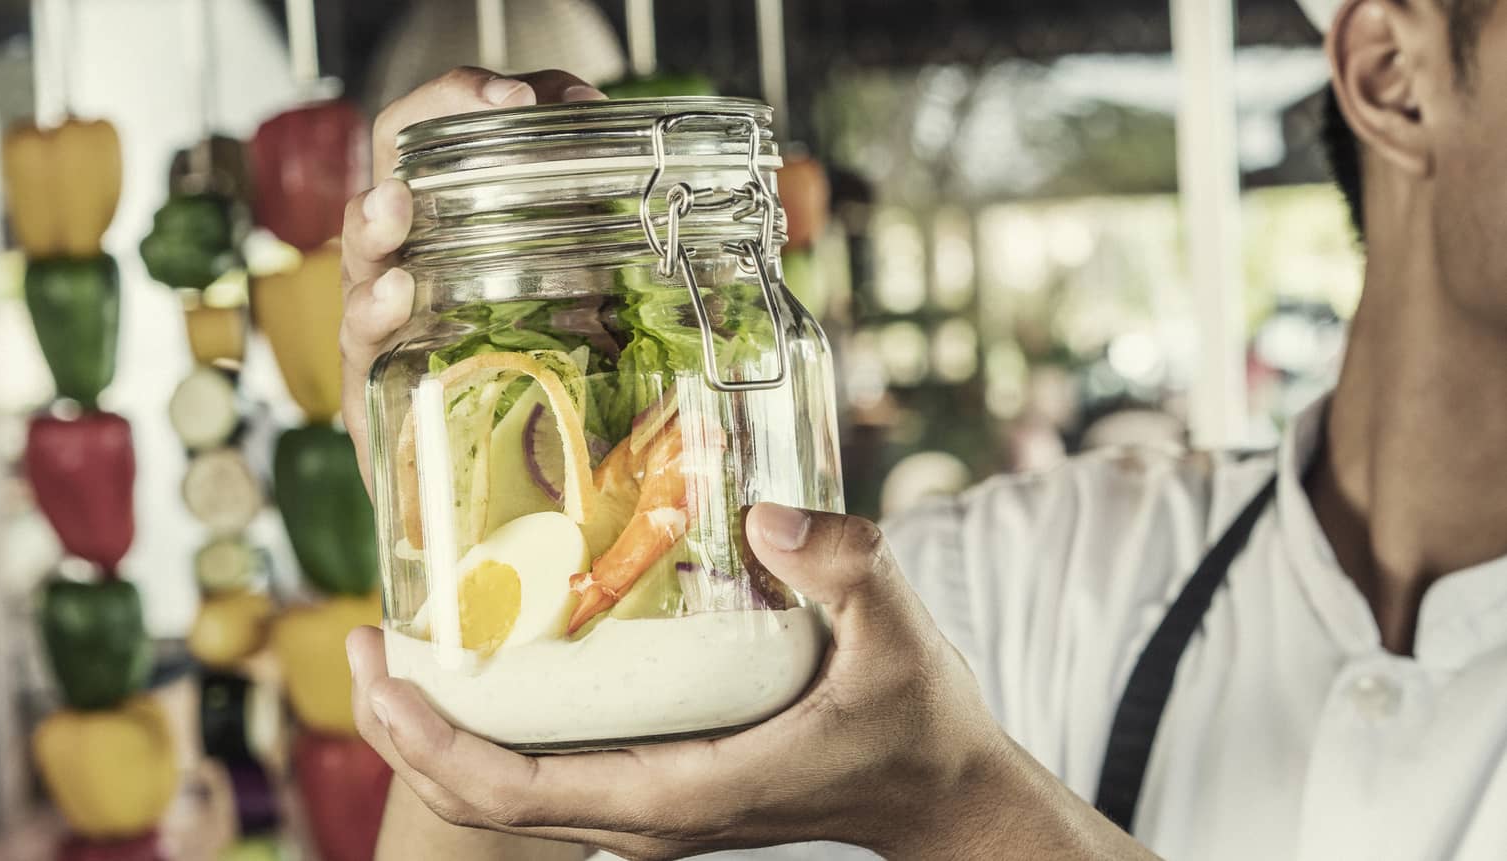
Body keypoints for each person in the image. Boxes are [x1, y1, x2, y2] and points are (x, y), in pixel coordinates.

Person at [337, 0, 1507, 856]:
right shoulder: (1011, 576)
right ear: (1396, 75)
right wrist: (482, 514)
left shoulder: (919, 706)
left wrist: (961, 804)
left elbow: (942, 782)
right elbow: (534, 795)